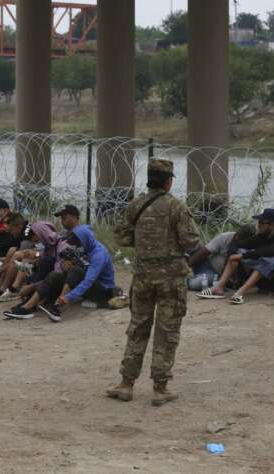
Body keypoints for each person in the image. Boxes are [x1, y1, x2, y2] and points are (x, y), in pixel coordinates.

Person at [106, 158, 201, 407]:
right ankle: (160, 388)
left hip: (143, 276)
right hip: (171, 279)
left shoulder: (136, 205)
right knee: (166, 332)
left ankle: (126, 383)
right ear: (169, 181)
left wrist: (145, 244)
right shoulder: (176, 207)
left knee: (138, 327)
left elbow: (121, 236)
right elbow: (192, 241)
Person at [6, 222, 117, 322]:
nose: (75, 246)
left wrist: (68, 298)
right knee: (55, 275)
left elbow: (88, 280)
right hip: (86, 286)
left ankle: (57, 306)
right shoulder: (84, 248)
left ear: (84, 240)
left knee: (74, 271)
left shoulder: (99, 254)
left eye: (77, 243)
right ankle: (26, 308)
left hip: (102, 290)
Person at [204, 208, 274, 304]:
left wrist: (243, 256)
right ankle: (219, 287)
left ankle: (240, 292)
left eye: (262, 222)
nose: (258, 225)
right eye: (258, 222)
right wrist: (232, 253)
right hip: (263, 282)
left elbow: (268, 251)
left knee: (268, 260)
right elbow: (238, 244)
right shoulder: (262, 237)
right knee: (237, 252)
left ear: (272, 225)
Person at [186, 225, 255, 292]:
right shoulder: (225, 237)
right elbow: (204, 252)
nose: (237, 238)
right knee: (193, 246)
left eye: (240, 239)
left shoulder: (250, 249)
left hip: (216, 275)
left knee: (196, 284)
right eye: (237, 236)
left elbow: (247, 270)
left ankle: (183, 282)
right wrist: (186, 266)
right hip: (207, 264)